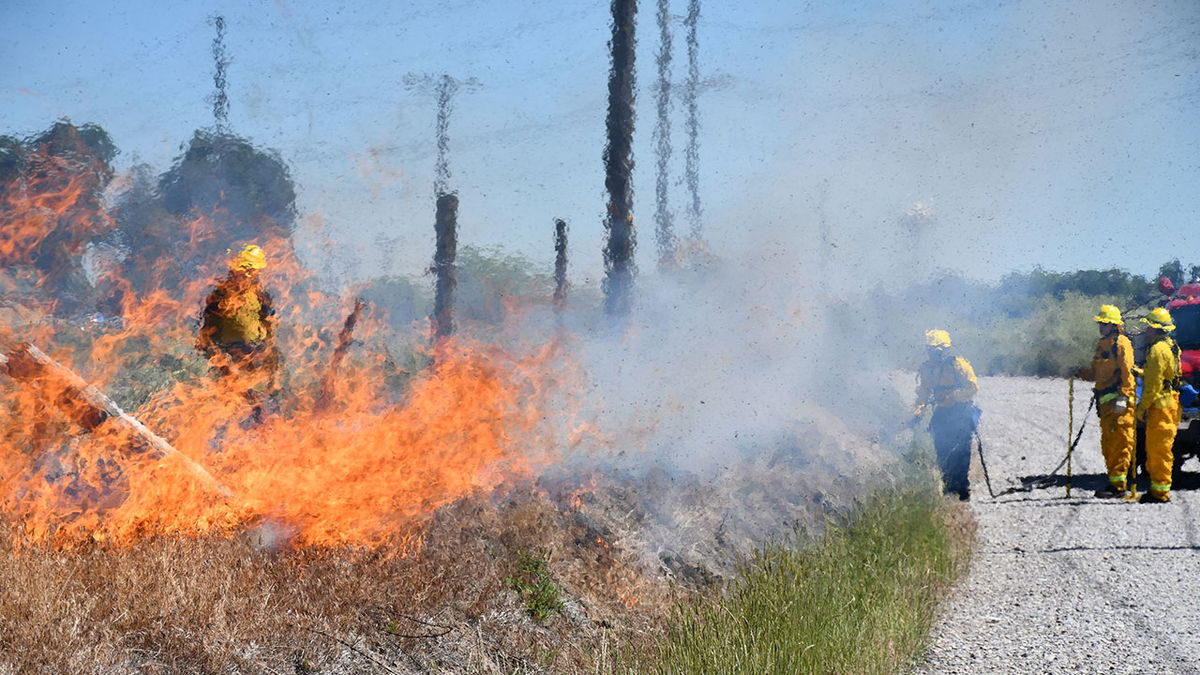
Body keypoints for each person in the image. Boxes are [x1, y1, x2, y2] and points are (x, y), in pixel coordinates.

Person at [196, 244, 280, 398]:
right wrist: (222, 364)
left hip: (257, 350)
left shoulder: (260, 294)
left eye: (253, 272)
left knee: (262, 397)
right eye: (245, 270)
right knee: (240, 396)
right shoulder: (219, 296)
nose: (251, 275)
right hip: (232, 353)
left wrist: (270, 353)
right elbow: (205, 333)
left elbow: (268, 322)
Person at [914, 329, 980, 500]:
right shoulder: (926, 369)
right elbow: (924, 391)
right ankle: (949, 485)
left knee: (962, 450)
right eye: (930, 351)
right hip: (942, 413)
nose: (933, 354)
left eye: (936, 351)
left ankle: (962, 487)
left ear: (945, 350)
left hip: (961, 412)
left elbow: (972, 387)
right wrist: (919, 406)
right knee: (942, 449)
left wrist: (953, 397)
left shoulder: (959, 365)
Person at [1135, 307, 1182, 504]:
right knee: (1162, 449)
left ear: (1156, 329)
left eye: (1149, 328)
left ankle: (1160, 493)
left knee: (1158, 451)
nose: (1146, 331)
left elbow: (1153, 386)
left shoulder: (1157, 350)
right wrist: (1139, 371)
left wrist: (1141, 408)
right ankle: (1158, 489)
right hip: (1171, 403)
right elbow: (1164, 375)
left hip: (1160, 406)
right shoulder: (1172, 346)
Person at [1091, 305, 1138, 498]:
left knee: (1120, 443)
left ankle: (1119, 487)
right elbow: (1096, 371)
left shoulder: (1122, 344)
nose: (1101, 326)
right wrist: (1078, 372)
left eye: (1104, 323)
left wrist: (1124, 397)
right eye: (1100, 323)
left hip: (1119, 403)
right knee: (1108, 444)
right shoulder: (1103, 344)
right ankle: (1113, 482)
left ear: (1114, 325)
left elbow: (1128, 373)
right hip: (1105, 404)